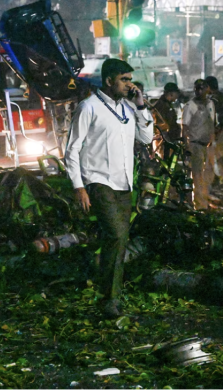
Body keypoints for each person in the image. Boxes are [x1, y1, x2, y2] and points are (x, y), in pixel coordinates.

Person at [65, 58, 154, 318]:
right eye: (124, 80)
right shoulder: (89, 107)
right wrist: (78, 186)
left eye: (130, 80)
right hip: (98, 181)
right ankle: (110, 299)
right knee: (116, 235)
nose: (130, 85)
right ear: (108, 81)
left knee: (117, 239)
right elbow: (72, 148)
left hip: (124, 182)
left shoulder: (128, 107)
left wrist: (141, 107)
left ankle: (107, 294)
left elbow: (146, 138)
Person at [182, 79, 215, 210]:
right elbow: (184, 127)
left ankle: (204, 201)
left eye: (202, 88)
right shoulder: (190, 105)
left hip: (208, 144)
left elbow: (212, 122)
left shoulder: (211, 103)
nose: (200, 91)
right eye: (197, 89)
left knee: (207, 175)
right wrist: (186, 145)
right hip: (195, 144)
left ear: (207, 89)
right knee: (197, 176)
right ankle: (199, 205)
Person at [153, 82, 181, 158]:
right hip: (163, 140)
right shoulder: (161, 105)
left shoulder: (167, 104)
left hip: (168, 139)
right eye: (176, 94)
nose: (177, 97)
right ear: (171, 94)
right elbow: (161, 124)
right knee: (165, 162)